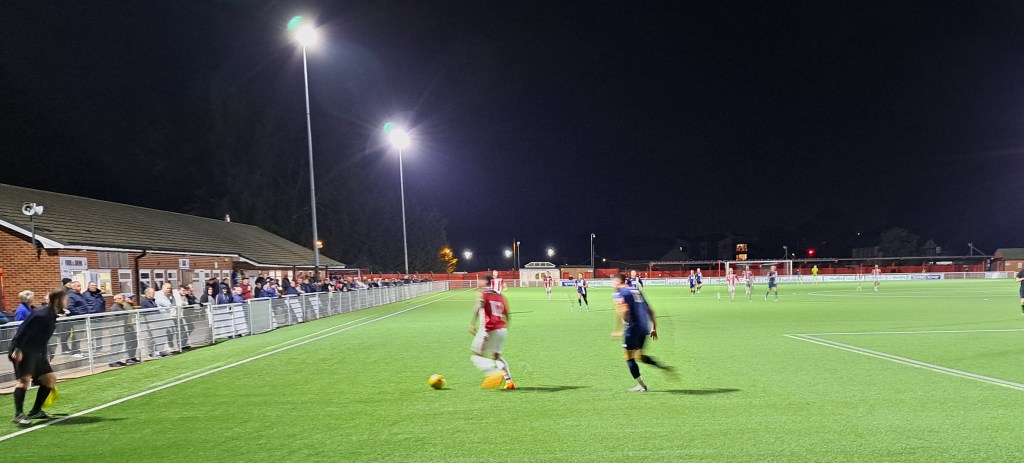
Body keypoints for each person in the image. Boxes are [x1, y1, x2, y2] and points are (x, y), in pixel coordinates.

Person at [8, 287, 65, 424]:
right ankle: (18, 415)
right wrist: (18, 349)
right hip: (23, 350)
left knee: (49, 379)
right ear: (58, 300)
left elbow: (41, 338)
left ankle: (35, 411)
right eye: (65, 299)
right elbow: (23, 330)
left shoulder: (52, 314)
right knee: (24, 381)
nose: (67, 301)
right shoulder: (41, 314)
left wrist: (44, 356)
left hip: (37, 352)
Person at [610, 273, 671, 392]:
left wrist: (621, 329)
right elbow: (650, 310)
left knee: (628, 357)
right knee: (640, 356)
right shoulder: (636, 290)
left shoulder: (620, 293)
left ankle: (642, 385)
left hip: (632, 328)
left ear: (618, 282)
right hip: (644, 327)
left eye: (613, 283)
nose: (612, 285)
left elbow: (625, 310)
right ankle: (662, 367)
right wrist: (653, 328)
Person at [469, 274, 514, 390]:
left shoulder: (483, 293)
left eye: (481, 281)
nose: (479, 283)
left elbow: (478, 306)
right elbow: (507, 315)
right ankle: (509, 381)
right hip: (501, 328)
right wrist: (505, 328)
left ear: (486, 282)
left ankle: (494, 372)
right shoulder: (500, 296)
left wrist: (473, 323)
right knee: (496, 356)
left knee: (476, 355)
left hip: (489, 329)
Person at [108, 293, 140, 367]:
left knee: (119, 345)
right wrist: (117, 328)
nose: (122, 299)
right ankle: (112, 361)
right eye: (120, 298)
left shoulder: (121, 306)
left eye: (122, 298)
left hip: (121, 329)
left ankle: (117, 360)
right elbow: (112, 319)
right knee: (115, 345)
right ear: (115, 299)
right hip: (116, 330)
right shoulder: (114, 307)